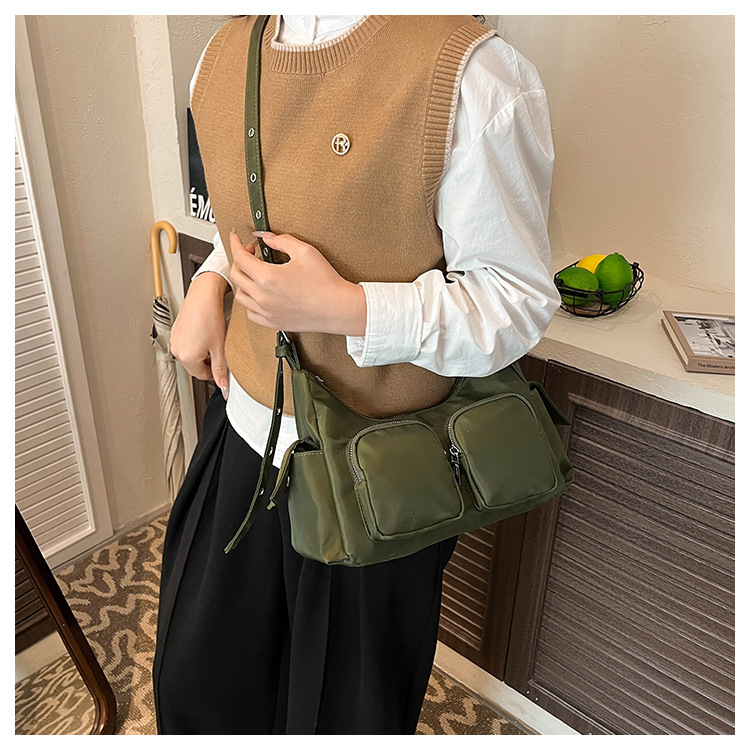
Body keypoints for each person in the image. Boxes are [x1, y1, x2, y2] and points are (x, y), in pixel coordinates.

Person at [152, 14, 560, 735]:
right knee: (197, 688)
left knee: (344, 718)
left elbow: (516, 300)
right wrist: (211, 281)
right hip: (242, 434)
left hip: (377, 471)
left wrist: (346, 308)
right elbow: (262, 216)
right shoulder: (219, 58)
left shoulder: (475, 75)